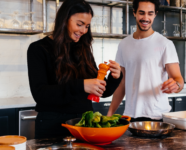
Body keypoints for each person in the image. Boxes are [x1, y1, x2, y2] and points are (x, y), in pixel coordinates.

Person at [27, 0, 122, 139]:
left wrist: (115, 77)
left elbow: (102, 92)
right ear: (64, 19)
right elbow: (40, 95)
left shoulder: (83, 49)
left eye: (87, 26)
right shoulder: (38, 49)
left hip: (84, 126)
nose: (83, 31)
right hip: (52, 127)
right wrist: (81, 85)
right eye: (79, 24)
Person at [107, 0, 184, 122]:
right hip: (130, 115)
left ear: (155, 14)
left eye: (150, 13)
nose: (146, 18)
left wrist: (176, 85)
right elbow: (121, 83)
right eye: (142, 13)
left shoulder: (165, 44)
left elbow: (178, 79)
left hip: (157, 115)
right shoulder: (124, 44)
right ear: (134, 13)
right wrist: (110, 113)